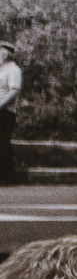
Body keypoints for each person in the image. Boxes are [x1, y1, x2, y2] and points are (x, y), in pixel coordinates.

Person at [0, 40, 21, 185]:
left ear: (5, 54)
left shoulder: (13, 69)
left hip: (6, 112)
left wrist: (0, 105)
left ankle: (8, 177)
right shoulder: (2, 70)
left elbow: (14, 91)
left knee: (3, 142)